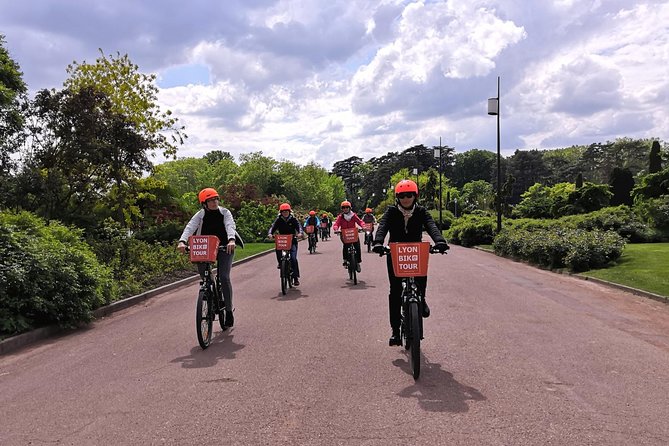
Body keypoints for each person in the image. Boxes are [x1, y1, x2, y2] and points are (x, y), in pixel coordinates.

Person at [372, 180, 449, 346]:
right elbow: (383, 226)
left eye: (409, 195)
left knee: (420, 279)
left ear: (415, 196)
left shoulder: (421, 211)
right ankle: (395, 330)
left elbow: (431, 226)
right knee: (395, 291)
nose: (406, 198)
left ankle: (422, 298)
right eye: (402, 195)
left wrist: (440, 241)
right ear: (397, 197)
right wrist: (378, 242)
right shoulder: (391, 211)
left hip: (416, 253)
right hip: (395, 254)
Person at [177, 187, 243, 328]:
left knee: (224, 277)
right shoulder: (200, 215)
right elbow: (190, 227)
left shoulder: (225, 212)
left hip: (225, 246)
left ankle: (229, 310)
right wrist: (182, 241)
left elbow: (230, 226)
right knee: (205, 277)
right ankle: (211, 297)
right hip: (205, 247)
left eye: (216, 199)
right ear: (204, 203)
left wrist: (231, 240)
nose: (214, 202)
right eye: (210, 200)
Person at [268, 203, 304, 286]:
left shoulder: (293, 219)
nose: (285, 213)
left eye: (286, 212)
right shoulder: (279, 219)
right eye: (283, 212)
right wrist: (270, 234)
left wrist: (300, 234)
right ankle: (281, 264)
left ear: (289, 212)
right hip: (282, 241)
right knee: (277, 250)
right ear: (281, 212)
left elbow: (299, 227)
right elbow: (273, 228)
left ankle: (295, 278)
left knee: (293, 259)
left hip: (292, 241)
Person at [332, 200, 365, 272]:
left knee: (357, 247)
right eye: (343, 207)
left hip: (353, 234)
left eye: (347, 207)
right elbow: (336, 224)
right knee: (345, 246)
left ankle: (358, 263)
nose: (345, 209)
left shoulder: (353, 216)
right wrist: (336, 229)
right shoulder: (341, 217)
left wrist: (363, 226)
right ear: (342, 209)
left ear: (350, 208)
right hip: (344, 234)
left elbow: (360, 221)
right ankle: (345, 260)